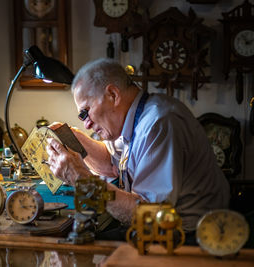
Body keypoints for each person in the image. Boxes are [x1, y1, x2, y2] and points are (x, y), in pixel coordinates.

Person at [45, 58, 230, 243]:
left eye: (86, 112)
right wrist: (76, 140)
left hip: (188, 238)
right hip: (162, 227)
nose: (86, 124)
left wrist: (81, 179)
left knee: (70, 246)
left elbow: (150, 218)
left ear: (112, 95)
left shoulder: (159, 123)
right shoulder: (136, 116)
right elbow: (111, 164)